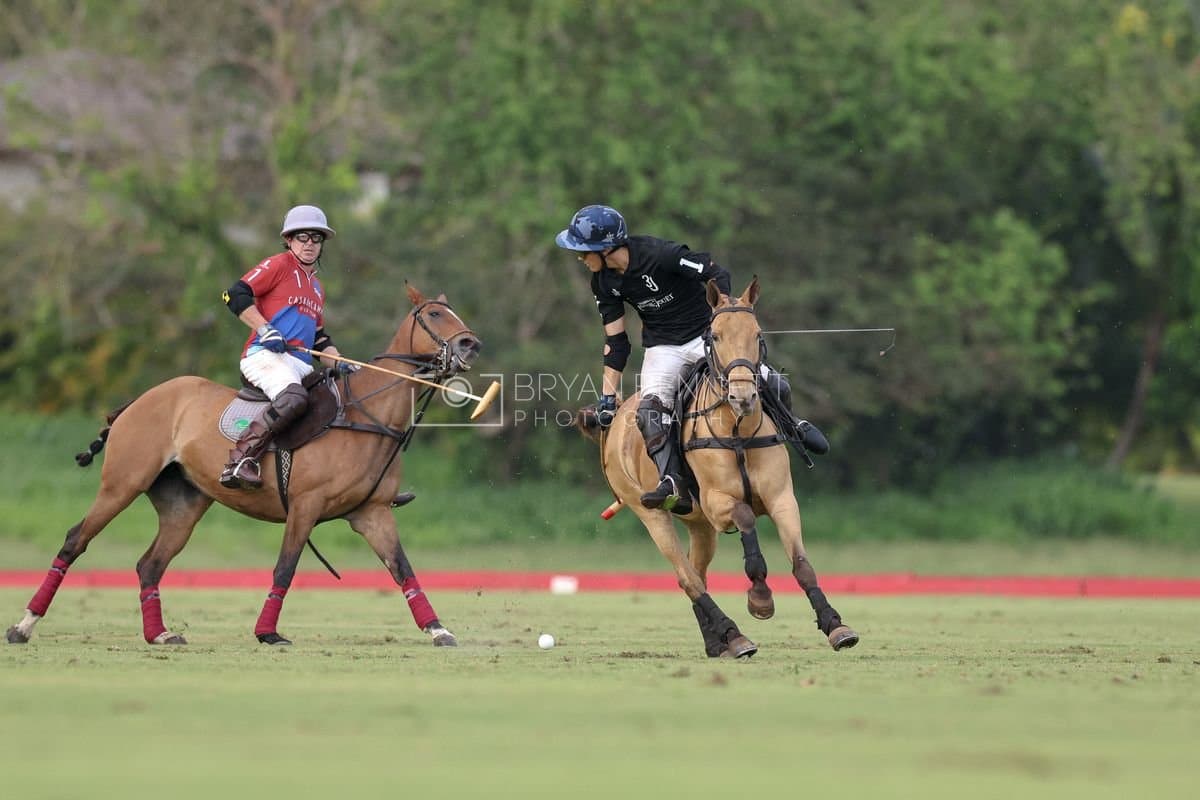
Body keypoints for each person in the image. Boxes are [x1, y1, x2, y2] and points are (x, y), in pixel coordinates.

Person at [555, 204, 735, 515]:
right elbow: (616, 342)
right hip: (664, 347)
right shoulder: (603, 282)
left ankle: (794, 428)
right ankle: (672, 481)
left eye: (584, 251)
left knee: (759, 378)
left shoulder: (660, 254)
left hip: (705, 333)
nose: (581, 258)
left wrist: (723, 325)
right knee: (649, 410)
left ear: (606, 248)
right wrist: (607, 399)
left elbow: (716, 273)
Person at [218, 205, 349, 489]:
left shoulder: (317, 289)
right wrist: (265, 329)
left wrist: (339, 362)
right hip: (264, 356)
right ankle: (241, 461)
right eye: (302, 237)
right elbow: (234, 294)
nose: (310, 244)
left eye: (316, 238)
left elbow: (321, 338)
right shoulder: (279, 265)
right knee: (293, 398)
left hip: (300, 364)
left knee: (340, 402)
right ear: (289, 240)